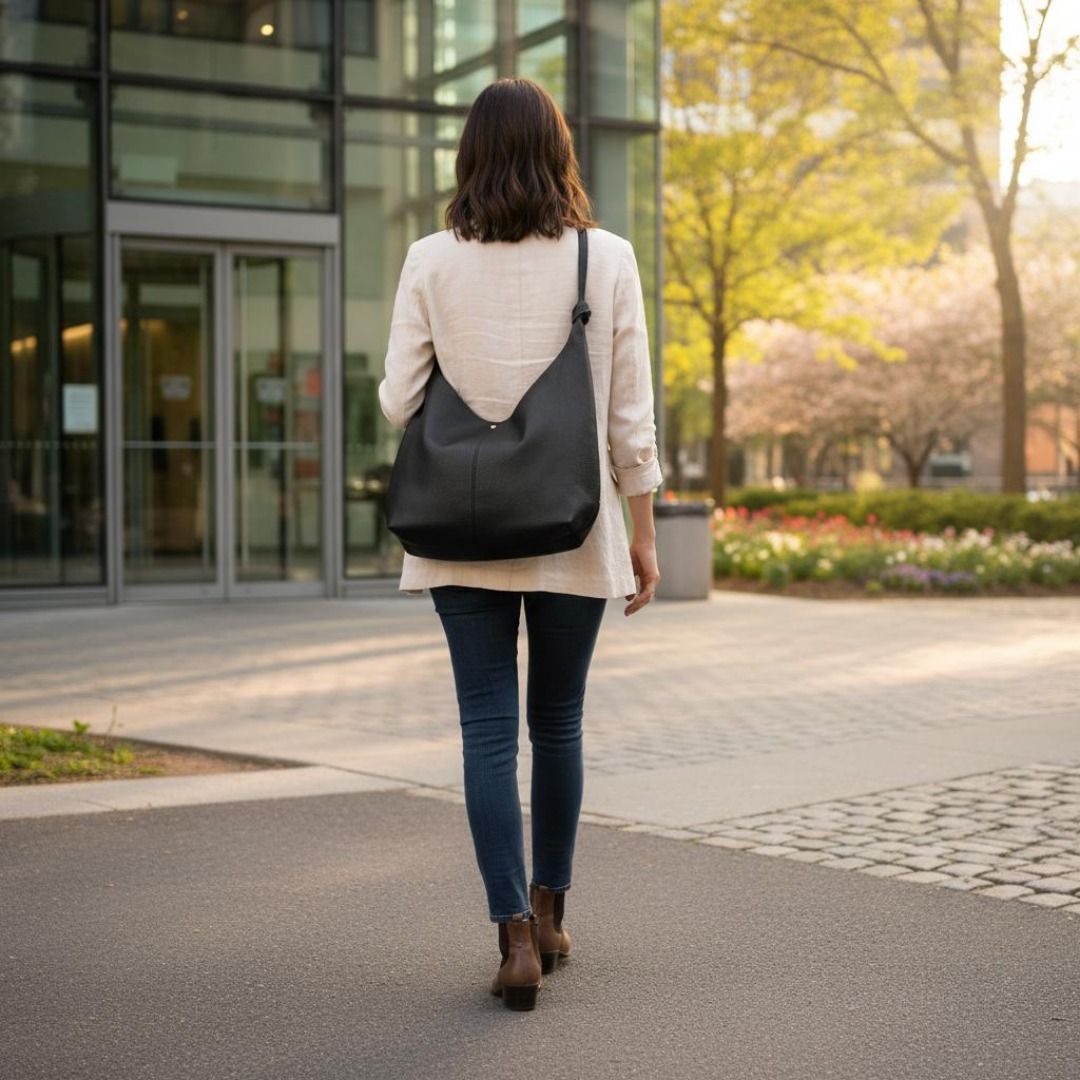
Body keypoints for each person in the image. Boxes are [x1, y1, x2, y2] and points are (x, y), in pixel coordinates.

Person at [378, 76, 663, 1011]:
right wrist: (645, 535)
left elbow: (395, 400)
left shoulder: (428, 259)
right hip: (575, 532)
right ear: (560, 151)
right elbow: (630, 418)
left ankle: (510, 942)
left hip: (458, 536)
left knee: (488, 733)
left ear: (469, 154)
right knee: (559, 725)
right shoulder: (606, 258)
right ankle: (552, 913)